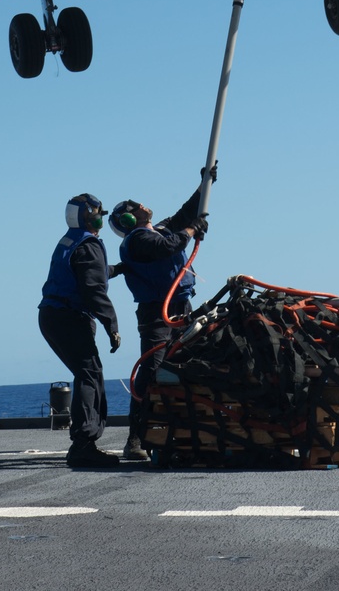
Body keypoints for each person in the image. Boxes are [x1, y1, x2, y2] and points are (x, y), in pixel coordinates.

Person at [109, 167, 214, 462]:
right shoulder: (137, 241)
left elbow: (186, 212)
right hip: (157, 313)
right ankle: (135, 439)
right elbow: (169, 245)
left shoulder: (160, 229)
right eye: (134, 207)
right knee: (152, 370)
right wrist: (193, 230)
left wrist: (204, 183)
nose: (142, 205)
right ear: (128, 219)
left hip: (181, 309)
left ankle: (181, 430)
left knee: (188, 363)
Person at [38, 192, 122, 469]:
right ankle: (83, 444)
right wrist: (112, 324)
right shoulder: (88, 245)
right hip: (68, 317)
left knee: (87, 372)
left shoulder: (72, 241)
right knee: (89, 374)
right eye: (99, 212)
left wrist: (119, 269)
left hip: (52, 315)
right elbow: (92, 289)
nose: (101, 217)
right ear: (90, 216)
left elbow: (91, 273)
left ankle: (84, 442)